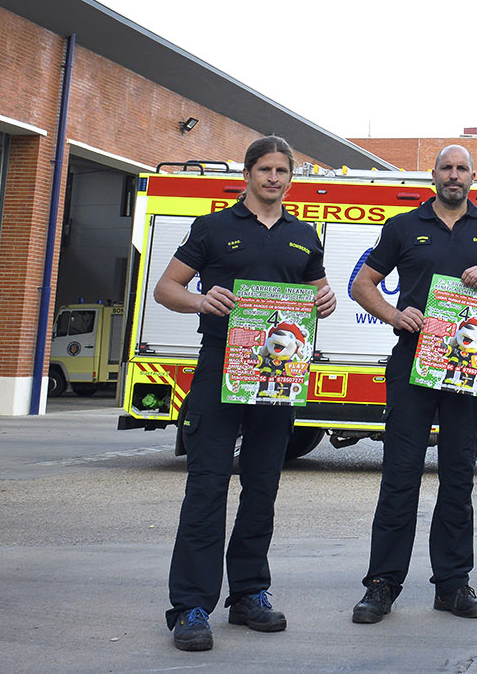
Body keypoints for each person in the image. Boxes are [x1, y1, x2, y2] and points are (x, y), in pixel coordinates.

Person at [156, 136, 337, 653]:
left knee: (262, 488)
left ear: (289, 177)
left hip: (278, 378)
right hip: (220, 372)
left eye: (282, 170)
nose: (273, 178)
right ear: (248, 174)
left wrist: (323, 301)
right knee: (207, 487)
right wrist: (200, 300)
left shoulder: (304, 237)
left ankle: (250, 593)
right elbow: (166, 289)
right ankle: (190, 606)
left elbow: (317, 293)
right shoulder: (213, 228)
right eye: (265, 169)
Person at [349, 144, 477, 625]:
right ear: (433, 176)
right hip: (413, 365)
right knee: (400, 477)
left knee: (458, 478)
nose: (453, 175)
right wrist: (394, 313)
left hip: (468, 369)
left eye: (461, 168)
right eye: (446, 168)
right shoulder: (404, 226)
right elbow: (362, 283)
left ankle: (451, 585)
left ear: (473, 177)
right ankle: (382, 585)